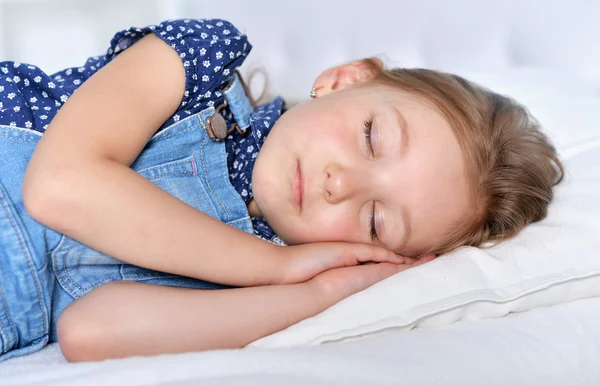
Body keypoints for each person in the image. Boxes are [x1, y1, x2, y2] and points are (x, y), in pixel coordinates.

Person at [0, 18, 563, 362]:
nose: (340, 183)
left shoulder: (259, 273)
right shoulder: (199, 67)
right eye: (370, 137)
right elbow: (59, 185)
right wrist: (267, 266)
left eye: (375, 221)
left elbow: (92, 331)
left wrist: (318, 296)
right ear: (345, 79)